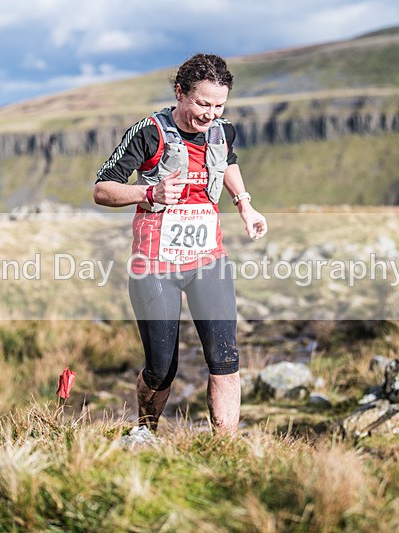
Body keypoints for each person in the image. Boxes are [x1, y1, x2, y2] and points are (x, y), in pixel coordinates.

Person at [93, 53, 267, 435]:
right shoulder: (149, 132)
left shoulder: (222, 130)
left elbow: (228, 161)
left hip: (208, 260)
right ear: (180, 92)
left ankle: (226, 448)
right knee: (161, 368)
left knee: (226, 360)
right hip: (155, 266)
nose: (211, 114)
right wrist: (149, 192)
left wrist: (244, 204)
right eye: (203, 104)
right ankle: (146, 432)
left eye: (219, 106)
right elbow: (102, 190)